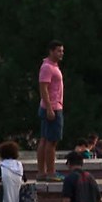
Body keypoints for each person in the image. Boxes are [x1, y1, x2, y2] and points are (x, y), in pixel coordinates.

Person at [37, 41, 67, 181]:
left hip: (53, 106)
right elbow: (43, 88)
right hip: (52, 107)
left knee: (45, 139)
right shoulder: (47, 67)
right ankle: (50, 172)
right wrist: (49, 108)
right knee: (51, 141)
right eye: (58, 51)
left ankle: (42, 172)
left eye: (62, 51)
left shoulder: (54, 66)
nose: (61, 53)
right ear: (51, 51)